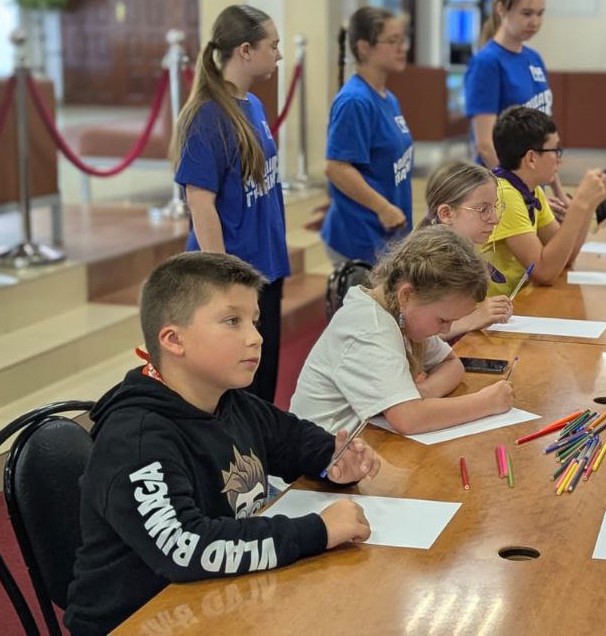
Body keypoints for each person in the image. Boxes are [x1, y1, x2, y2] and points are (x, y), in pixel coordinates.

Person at [65, 252, 379, 635]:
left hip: (221, 594)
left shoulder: (229, 400)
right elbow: (184, 546)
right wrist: (316, 531)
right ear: (173, 339)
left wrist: (332, 459)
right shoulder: (137, 439)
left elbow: (293, 439)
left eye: (254, 321)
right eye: (233, 321)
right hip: (141, 617)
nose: (256, 337)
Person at [289, 227, 514, 436]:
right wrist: (487, 402)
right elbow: (407, 419)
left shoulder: (402, 314)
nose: (446, 329)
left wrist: (422, 392)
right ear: (406, 295)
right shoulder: (369, 327)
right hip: (311, 473)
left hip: (361, 449)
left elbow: (452, 364)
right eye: (443, 320)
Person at [174, 4, 288, 404]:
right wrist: (223, 282)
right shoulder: (208, 116)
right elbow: (200, 203)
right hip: (234, 277)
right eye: (272, 46)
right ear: (245, 51)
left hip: (265, 269)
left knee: (263, 388)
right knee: (238, 394)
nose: (279, 54)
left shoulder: (251, 105)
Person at [464, 0, 570, 220]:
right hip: (502, 192)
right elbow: (485, 144)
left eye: (540, 13)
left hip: (533, 190)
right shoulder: (487, 63)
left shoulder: (534, 59)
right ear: (502, 9)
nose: (534, 21)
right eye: (526, 13)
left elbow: (545, 141)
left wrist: (559, 191)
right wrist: (516, 194)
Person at [480, 106, 606, 297]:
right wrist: (579, 205)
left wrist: (587, 207)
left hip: (514, 306)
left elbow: (565, 258)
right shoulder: (504, 194)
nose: (559, 160)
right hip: (486, 319)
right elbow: (544, 272)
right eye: (556, 150)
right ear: (532, 158)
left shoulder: (530, 190)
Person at [321, 6, 415, 267]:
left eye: (402, 40)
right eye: (392, 41)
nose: (402, 48)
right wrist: (383, 208)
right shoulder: (355, 101)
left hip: (388, 240)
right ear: (364, 47)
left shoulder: (388, 97)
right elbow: (336, 167)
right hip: (361, 242)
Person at [420, 160, 513, 340]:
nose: (495, 219)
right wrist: (474, 318)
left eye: (494, 207)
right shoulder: (427, 264)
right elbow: (414, 339)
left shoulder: (463, 255)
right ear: (446, 214)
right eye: (482, 209)